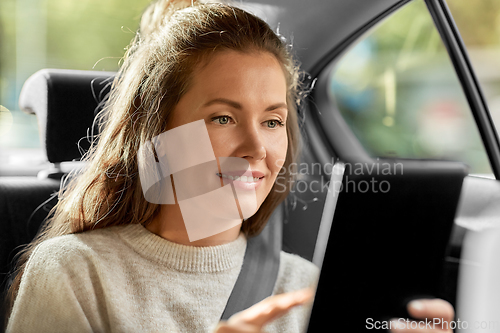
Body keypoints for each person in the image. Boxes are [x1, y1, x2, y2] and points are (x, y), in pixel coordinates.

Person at [5, 0, 454, 332]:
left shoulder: (306, 287)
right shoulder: (75, 273)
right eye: (223, 118)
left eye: (273, 121)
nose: (256, 147)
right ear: (159, 133)